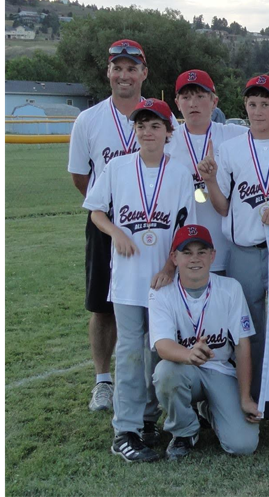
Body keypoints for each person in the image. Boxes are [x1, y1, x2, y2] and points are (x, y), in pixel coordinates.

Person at [196, 75, 269, 437]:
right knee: (246, 329)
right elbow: (222, 206)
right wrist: (211, 181)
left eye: (266, 103)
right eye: (252, 103)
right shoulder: (230, 148)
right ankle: (252, 397)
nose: (258, 110)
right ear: (244, 107)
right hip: (244, 249)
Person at [82, 98, 196, 462]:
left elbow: (184, 228)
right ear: (135, 131)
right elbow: (96, 211)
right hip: (129, 282)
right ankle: (125, 430)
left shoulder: (179, 173)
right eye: (141, 126)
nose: (148, 132)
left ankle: (148, 420)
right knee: (130, 354)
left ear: (168, 132)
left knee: (155, 351)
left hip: (163, 281)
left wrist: (169, 266)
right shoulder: (117, 167)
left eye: (155, 126)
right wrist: (116, 232)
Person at [68, 39, 171, 413]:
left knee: (154, 301)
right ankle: (102, 382)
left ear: (144, 73)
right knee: (102, 305)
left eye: (132, 68)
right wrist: (110, 209)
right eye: (118, 67)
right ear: (108, 72)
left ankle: (150, 385)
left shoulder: (160, 116)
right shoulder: (89, 119)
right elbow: (81, 177)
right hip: (106, 224)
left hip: (154, 225)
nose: (124, 74)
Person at [149, 225, 261, 459]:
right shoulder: (162, 293)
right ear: (174, 257)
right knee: (165, 372)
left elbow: (242, 346)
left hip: (220, 370)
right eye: (186, 252)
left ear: (213, 255)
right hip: (185, 370)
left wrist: (245, 397)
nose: (194, 259)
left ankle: (209, 409)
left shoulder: (230, 288)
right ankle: (184, 433)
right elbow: (163, 345)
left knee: (243, 445)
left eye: (202, 252)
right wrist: (189, 355)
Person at [166, 69, 250, 275]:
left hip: (225, 245)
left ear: (214, 101)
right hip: (182, 248)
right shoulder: (166, 140)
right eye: (186, 97)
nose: (193, 103)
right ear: (177, 103)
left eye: (200, 96)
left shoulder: (235, 134)